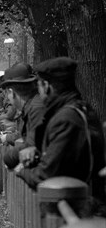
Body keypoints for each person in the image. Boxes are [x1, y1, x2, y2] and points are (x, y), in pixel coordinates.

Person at [15, 57, 106, 205]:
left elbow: (46, 175)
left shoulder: (65, 119)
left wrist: (21, 171)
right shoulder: (81, 109)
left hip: (79, 207)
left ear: (46, 86)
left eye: (39, 86)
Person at [0, 63, 46, 170]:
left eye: (7, 93)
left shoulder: (36, 109)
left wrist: (10, 158)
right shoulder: (33, 106)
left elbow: (32, 145)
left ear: (11, 92)